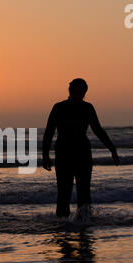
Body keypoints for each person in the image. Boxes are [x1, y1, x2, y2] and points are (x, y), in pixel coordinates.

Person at [42, 78, 120, 218]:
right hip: (64, 153)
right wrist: (45, 155)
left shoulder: (87, 108)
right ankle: (62, 229)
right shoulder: (59, 107)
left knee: (84, 192)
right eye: (77, 92)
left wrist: (112, 149)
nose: (80, 96)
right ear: (70, 91)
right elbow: (49, 131)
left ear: (85, 92)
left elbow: (98, 130)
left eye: (82, 93)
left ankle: (84, 227)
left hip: (82, 153)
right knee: (64, 192)